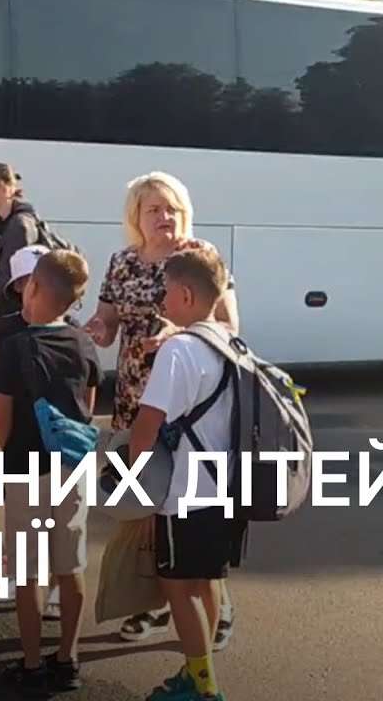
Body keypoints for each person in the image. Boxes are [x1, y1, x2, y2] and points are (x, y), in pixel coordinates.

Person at [82, 171, 240, 647]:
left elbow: (228, 326)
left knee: (189, 509)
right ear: (137, 216)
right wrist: (97, 330)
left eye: (171, 208)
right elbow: (107, 318)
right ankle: (153, 603)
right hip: (135, 398)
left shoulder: (199, 256)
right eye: (154, 209)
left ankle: (216, 604)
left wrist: (179, 334)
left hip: (187, 403)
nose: (164, 216)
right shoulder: (123, 262)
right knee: (146, 507)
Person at [130, 247, 248, 701]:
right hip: (227, 485)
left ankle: (203, 688)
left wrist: (132, 481)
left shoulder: (179, 349)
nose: (162, 301)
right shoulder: (232, 344)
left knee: (179, 588)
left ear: (184, 294)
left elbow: (147, 424)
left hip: (185, 491)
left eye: (165, 292)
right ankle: (199, 673)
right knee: (207, 582)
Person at [0, 249, 102, 696]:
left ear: (33, 287)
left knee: (28, 571)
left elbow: (2, 419)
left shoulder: (14, 347)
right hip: (72, 468)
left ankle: (33, 661)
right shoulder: (84, 344)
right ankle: (68, 657)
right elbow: (87, 408)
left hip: (26, 468)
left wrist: (11, 455)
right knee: (70, 564)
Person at [0, 162, 44, 343]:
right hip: (7, 304)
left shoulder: (21, 224)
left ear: (4, 188)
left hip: (21, 308)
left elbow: (18, 274)